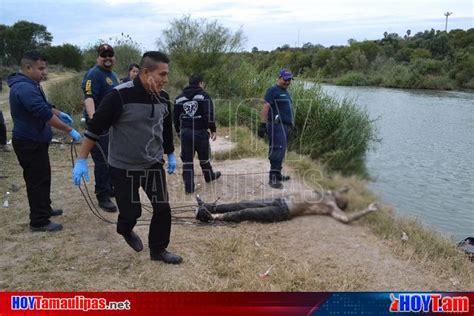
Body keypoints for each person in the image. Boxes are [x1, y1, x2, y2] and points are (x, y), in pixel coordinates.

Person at [72, 51, 182, 264]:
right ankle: (125, 229)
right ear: (146, 72)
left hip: (152, 164)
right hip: (123, 167)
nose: (166, 79)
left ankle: (158, 250)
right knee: (132, 213)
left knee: (163, 208)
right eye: (162, 74)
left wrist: (169, 154)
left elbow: (165, 129)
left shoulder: (163, 97)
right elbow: (95, 128)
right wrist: (82, 159)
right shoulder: (119, 96)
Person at [7, 51, 81, 232]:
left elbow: (45, 106)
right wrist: (69, 130)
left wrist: (59, 112)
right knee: (36, 180)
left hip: (37, 141)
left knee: (43, 176)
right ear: (28, 67)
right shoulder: (24, 88)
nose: (44, 72)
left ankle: (44, 208)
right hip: (28, 142)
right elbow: (43, 113)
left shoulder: (32, 84)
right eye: (40, 69)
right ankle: (39, 221)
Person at [195, 188, 379, 224]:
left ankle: (212, 217)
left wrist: (368, 210)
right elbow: (339, 189)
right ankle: (210, 207)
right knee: (243, 203)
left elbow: (346, 218)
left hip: (282, 211)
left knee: (247, 212)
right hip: (279, 200)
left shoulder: (331, 205)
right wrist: (346, 188)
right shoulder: (328, 193)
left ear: (340, 202)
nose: (340, 193)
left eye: (342, 196)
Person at [81, 43, 120, 212]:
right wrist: (95, 121)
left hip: (111, 127)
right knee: (102, 162)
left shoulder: (113, 75)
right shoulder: (93, 74)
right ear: (98, 57)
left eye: (110, 54)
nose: (107, 58)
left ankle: (110, 188)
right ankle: (102, 196)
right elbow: (89, 98)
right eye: (104, 55)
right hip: (99, 128)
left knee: (111, 159)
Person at [174, 74, 221, 194]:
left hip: (186, 132)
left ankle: (189, 188)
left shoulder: (179, 98)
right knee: (204, 158)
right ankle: (209, 176)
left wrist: (179, 131)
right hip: (200, 132)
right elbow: (209, 114)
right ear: (200, 83)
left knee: (187, 161)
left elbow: (175, 117)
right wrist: (213, 129)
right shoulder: (204, 95)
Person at [258, 68, 294, 189]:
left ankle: (277, 174)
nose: (287, 82)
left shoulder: (285, 91)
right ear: (279, 78)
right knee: (277, 150)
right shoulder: (273, 90)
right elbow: (265, 108)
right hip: (276, 125)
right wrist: (262, 125)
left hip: (284, 126)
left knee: (281, 150)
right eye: (285, 79)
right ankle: (272, 179)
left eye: (289, 80)